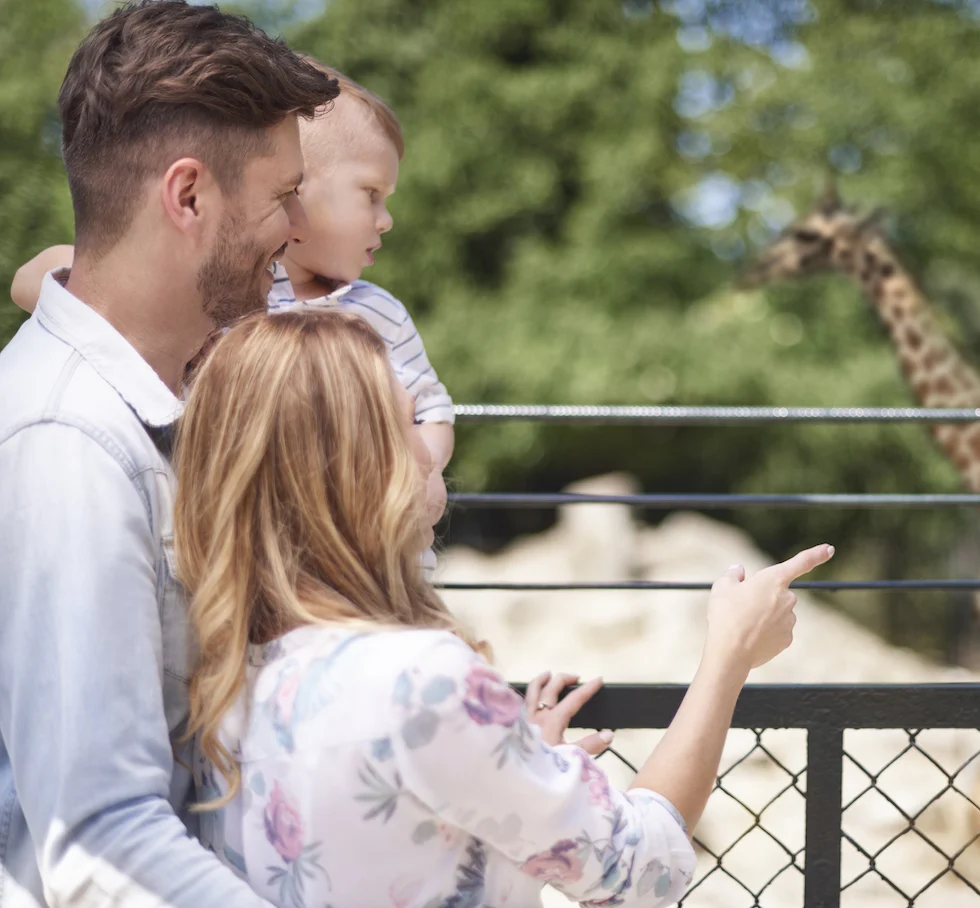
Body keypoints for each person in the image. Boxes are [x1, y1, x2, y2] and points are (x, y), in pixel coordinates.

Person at [172, 309, 834, 907]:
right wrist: (730, 653)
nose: (432, 447)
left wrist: (510, 763)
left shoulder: (219, 672)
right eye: (406, 422)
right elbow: (643, 867)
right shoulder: (422, 678)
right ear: (353, 465)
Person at [0, 3, 339, 906]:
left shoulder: (154, 409)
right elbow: (98, 841)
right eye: (282, 195)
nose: (301, 227)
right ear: (187, 197)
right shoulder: (70, 446)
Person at [9, 61, 455, 546]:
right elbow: (33, 277)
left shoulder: (378, 312)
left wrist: (424, 473)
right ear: (298, 188)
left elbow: (433, 409)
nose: (386, 219)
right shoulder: (233, 295)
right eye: (371, 194)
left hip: (361, 546)